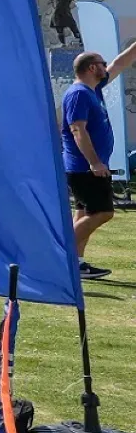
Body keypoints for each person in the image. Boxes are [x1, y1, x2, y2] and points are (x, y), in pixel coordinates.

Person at [59, 42, 136, 278]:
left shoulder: (93, 89)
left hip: (88, 167)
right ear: (93, 68)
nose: (106, 66)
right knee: (103, 212)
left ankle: (76, 264)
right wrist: (94, 162)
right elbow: (77, 130)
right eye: (102, 63)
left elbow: (121, 62)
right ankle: (59, 256)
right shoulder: (79, 94)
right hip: (85, 168)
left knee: (83, 213)